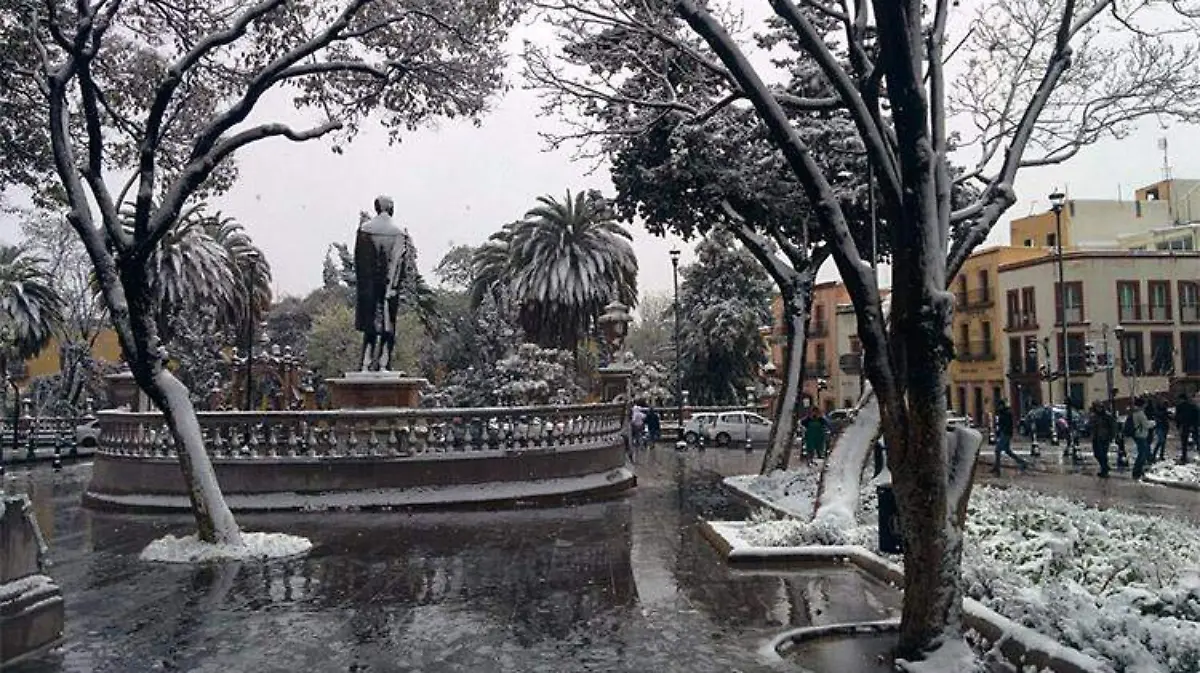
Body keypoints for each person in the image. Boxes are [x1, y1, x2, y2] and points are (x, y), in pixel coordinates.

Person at [992, 399, 1028, 475]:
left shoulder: (1007, 413)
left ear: (1002, 406)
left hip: (1006, 434)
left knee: (997, 450)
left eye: (999, 406)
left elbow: (1008, 424)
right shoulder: (1001, 413)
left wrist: (1004, 432)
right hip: (1004, 433)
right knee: (1008, 451)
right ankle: (1022, 462)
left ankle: (997, 468)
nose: (998, 407)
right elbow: (1000, 424)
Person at [1088, 401, 1116, 478]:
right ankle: (1105, 467)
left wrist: (1112, 436)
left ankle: (1104, 470)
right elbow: (1090, 425)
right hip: (1095, 437)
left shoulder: (1107, 416)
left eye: (1100, 407)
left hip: (1104, 437)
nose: (1098, 409)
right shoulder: (1094, 416)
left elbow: (1112, 427)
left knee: (1103, 454)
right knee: (1097, 454)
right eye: (1097, 407)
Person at [1130, 397, 1152, 479]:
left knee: (1142, 453)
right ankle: (1137, 471)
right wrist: (1153, 423)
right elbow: (1146, 425)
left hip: (1137, 435)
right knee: (1142, 454)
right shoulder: (1140, 413)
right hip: (1141, 435)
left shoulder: (1135, 412)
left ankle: (1138, 470)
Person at [1176, 392, 1198, 464]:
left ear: (1181, 399)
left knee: (1184, 443)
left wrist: (1178, 426)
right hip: (1192, 425)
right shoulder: (1192, 406)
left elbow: (1178, 417)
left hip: (1183, 426)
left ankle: (1184, 457)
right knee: (1197, 440)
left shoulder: (1179, 406)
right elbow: (1196, 416)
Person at [1149, 394, 1170, 462]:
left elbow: (1168, 418)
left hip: (1164, 427)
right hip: (1160, 427)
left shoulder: (1165, 411)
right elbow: (1157, 416)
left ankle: (1161, 455)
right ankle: (1154, 455)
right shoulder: (1158, 411)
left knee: (1163, 442)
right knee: (1161, 441)